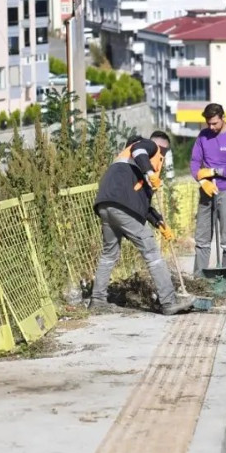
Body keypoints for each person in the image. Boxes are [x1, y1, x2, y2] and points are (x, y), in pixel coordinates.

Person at [90, 131, 195, 315]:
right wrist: (149, 172)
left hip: (105, 205)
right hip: (122, 206)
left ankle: (97, 299)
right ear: (162, 147)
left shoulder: (127, 162)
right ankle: (169, 301)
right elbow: (140, 150)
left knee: (109, 254)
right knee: (152, 253)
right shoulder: (147, 146)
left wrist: (160, 223)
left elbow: (142, 204)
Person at [190, 104, 226, 276]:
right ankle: (199, 279)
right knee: (202, 240)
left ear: (223, 117)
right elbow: (194, 162)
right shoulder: (203, 136)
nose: (211, 127)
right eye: (208, 123)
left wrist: (215, 171)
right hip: (207, 192)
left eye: (214, 123)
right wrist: (201, 181)